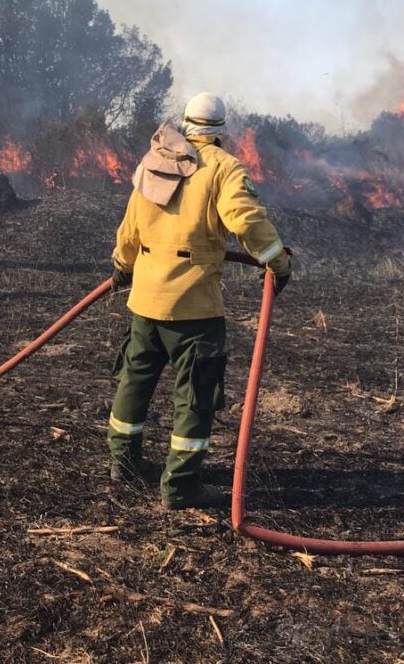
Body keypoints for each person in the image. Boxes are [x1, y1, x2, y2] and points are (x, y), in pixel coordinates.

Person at [107, 93, 292, 510]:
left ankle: (123, 463)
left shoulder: (154, 160)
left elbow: (131, 225)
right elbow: (244, 219)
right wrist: (277, 262)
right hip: (194, 307)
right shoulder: (223, 168)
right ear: (222, 130)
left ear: (186, 124)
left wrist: (122, 264)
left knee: (135, 380)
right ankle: (181, 486)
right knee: (195, 394)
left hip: (144, 298)